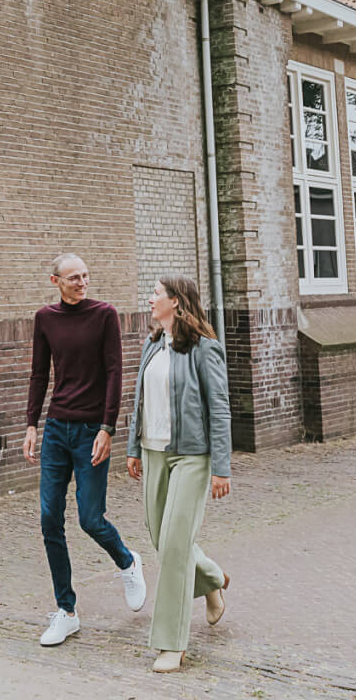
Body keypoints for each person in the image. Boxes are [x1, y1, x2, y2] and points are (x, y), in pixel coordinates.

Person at [24, 253, 148, 647]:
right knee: (48, 518)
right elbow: (39, 372)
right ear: (55, 281)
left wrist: (108, 427)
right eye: (74, 277)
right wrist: (31, 424)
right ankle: (66, 611)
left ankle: (127, 561)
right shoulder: (45, 319)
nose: (82, 282)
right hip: (57, 429)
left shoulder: (104, 315)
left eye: (86, 276)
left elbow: (115, 372)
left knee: (91, 519)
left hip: (92, 429)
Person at [125, 275, 232, 673]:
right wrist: (134, 448)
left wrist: (221, 467)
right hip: (153, 454)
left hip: (192, 456)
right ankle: (212, 578)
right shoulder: (152, 345)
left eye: (156, 294)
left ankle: (172, 643)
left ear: (177, 302)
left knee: (173, 546)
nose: (150, 299)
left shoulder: (206, 350)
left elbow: (219, 409)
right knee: (160, 536)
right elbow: (138, 401)